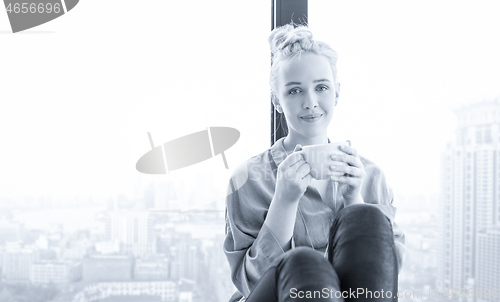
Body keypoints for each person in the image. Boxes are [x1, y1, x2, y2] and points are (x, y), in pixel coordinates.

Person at [223, 24, 406, 302]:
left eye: (321, 87)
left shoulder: (369, 176)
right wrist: (284, 200)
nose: (310, 102)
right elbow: (250, 282)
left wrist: (353, 197)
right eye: (294, 91)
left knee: (366, 216)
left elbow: (384, 279)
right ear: (276, 100)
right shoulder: (249, 179)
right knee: (301, 264)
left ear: (337, 93)